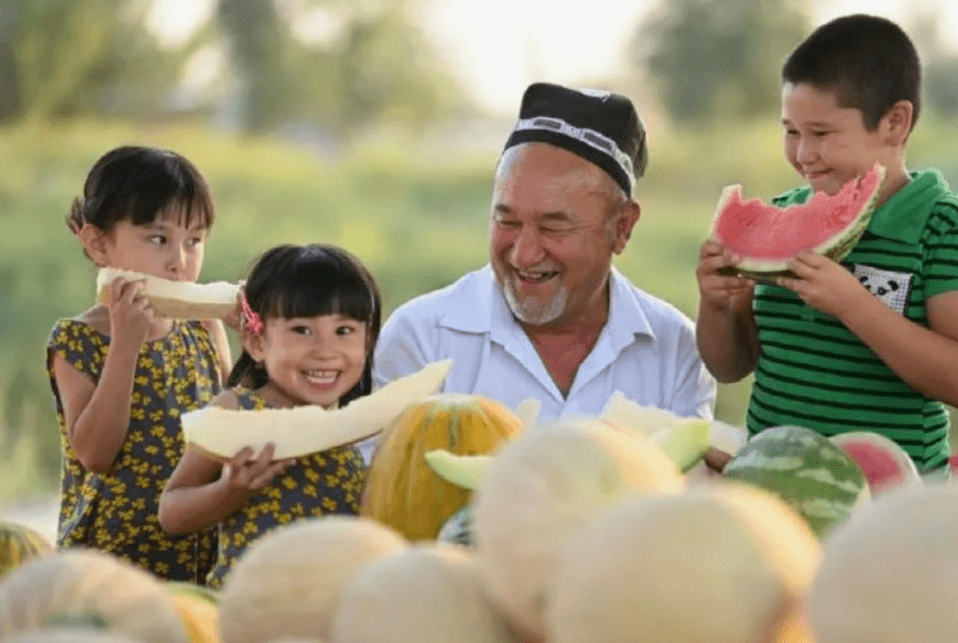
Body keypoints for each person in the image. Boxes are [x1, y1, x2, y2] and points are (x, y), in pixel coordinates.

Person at [696, 14, 958, 478]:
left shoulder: (946, 228)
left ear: (895, 123)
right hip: (773, 486)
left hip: (891, 504)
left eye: (821, 133)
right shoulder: (782, 216)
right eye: (791, 131)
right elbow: (730, 367)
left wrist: (852, 304)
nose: (802, 154)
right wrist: (718, 306)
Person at [372, 82, 716, 444]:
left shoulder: (676, 349)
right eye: (507, 221)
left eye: (553, 227)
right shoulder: (419, 338)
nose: (523, 254)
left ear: (622, 228)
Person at [46, 145, 231, 583]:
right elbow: (95, 453)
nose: (180, 262)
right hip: (114, 564)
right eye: (158, 239)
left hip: (199, 555)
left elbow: (233, 421)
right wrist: (125, 346)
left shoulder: (203, 327)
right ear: (98, 243)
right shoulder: (77, 341)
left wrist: (261, 347)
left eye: (195, 241)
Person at [159, 243, 380, 589]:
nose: (325, 352)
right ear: (257, 342)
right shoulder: (237, 411)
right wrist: (229, 491)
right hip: (252, 608)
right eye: (302, 330)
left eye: (344, 331)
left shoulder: (355, 433)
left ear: (367, 343)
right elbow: (171, 512)